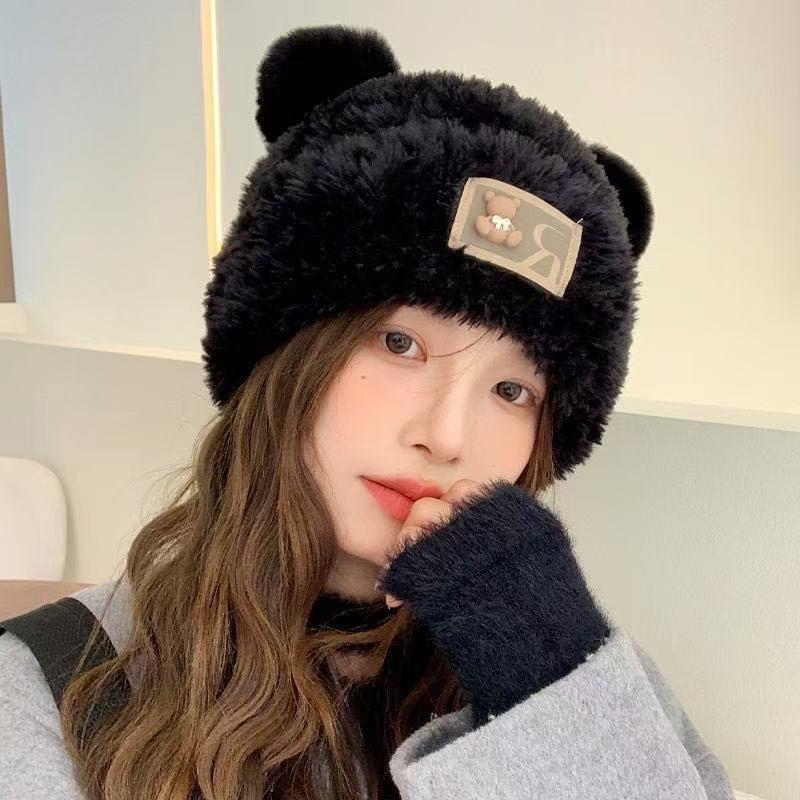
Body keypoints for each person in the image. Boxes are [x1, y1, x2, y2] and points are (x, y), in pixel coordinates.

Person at [0, 24, 738, 800]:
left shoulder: (579, 669)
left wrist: (545, 692)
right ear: (288, 350)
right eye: (400, 342)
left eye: (512, 391)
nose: (447, 436)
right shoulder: (53, 687)